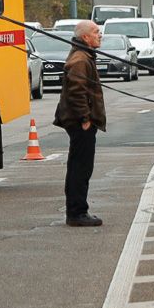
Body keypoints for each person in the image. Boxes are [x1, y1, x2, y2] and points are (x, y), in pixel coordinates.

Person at [53, 20, 106, 227]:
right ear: (85, 37)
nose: (99, 35)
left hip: (80, 120)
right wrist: (85, 118)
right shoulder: (80, 59)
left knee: (80, 166)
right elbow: (76, 92)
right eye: (95, 32)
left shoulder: (85, 56)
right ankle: (77, 213)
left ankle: (77, 210)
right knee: (80, 168)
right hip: (80, 122)